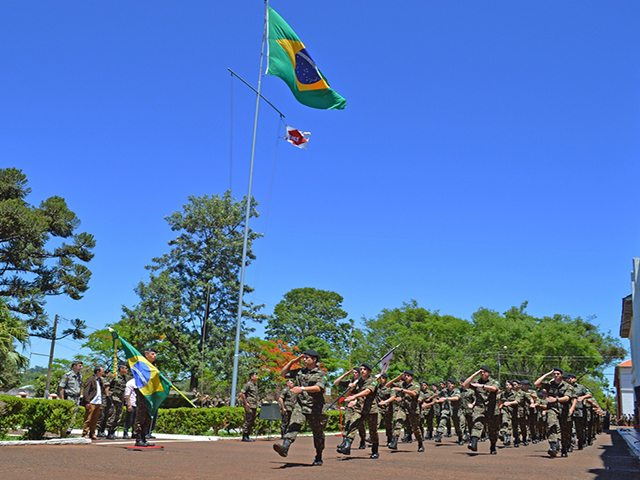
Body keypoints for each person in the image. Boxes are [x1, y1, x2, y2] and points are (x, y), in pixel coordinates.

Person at [273, 350, 327, 466]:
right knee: (294, 425)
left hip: (316, 408)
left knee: (318, 434)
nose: (304, 359)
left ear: (314, 360)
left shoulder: (321, 373)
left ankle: (318, 456)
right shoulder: (299, 371)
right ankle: (285, 447)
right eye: (303, 358)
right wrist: (293, 361)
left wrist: (302, 389)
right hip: (301, 405)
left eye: (307, 358)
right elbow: (282, 374)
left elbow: (319, 388)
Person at [338, 363, 380, 459]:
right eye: (361, 369)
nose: (362, 371)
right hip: (359, 409)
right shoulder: (358, 381)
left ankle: (375, 450)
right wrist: (350, 388)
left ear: (369, 371)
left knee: (373, 431)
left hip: (371, 410)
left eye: (364, 369)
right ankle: (347, 447)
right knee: (353, 425)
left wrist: (355, 396)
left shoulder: (373, 381)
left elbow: (367, 392)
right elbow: (348, 395)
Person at [534, 367, 572, 457]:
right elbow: (537, 383)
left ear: (561, 375)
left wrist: (556, 399)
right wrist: (547, 374)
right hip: (552, 409)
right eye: (554, 374)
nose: (555, 375)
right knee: (552, 425)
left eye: (557, 374)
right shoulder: (549, 385)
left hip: (564, 410)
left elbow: (567, 398)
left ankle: (564, 448)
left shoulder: (567, 386)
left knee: (565, 431)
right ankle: (553, 447)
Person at [462, 365, 500, 454]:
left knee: (493, 430)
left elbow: (494, 389)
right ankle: (474, 443)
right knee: (477, 424)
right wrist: (474, 374)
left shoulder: (494, 382)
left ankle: (493, 446)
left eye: (484, 372)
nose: (482, 374)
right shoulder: (476, 381)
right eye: (481, 372)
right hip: (479, 408)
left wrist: (481, 386)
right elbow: (465, 385)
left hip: (492, 409)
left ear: (488, 373)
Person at [387, 370, 424, 452]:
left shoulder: (416, 385)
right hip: (402, 408)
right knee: (397, 422)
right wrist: (397, 378)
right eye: (405, 375)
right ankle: (394, 442)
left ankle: (420, 443)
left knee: (415, 429)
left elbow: (414, 393)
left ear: (412, 377)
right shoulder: (401, 384)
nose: (406, 377)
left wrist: (402, 390)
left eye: (408, 375)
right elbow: (387, 385)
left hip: (412, 410)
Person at [334, 366, 367, 449]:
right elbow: (336, 383)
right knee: (348, 422)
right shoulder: (350, 381)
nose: (354, 374)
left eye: (356, 373)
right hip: (349, 404)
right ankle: (345, 442)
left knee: (360, 425)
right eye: (353, 373)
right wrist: (345, 375)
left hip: (359, 405)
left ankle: (362, 440)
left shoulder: (363, 382)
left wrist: (355, 399)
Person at [133, 347, 157, 447]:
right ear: (146, 355)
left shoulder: (154, 366)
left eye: (155, 354)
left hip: (150, 394)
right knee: (140, 416)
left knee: (148, 417)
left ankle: (144, 437)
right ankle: (138, 438)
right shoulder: (142, 365)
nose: (154, 356)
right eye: (152, 354)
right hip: (143, 394)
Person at [58, 360, 83, 436]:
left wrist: (80, 394)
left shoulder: (80, 376)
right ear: (74, 366)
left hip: (76, 397)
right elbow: (61, 387)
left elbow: (80, 386)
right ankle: (64, 431)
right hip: (69, 397)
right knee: (68, 413)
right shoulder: (67, 375)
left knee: (74, 415)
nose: (81, 367)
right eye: (79, 366)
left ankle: (69, 431)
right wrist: (62, 399)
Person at [434, 378, 462, 444]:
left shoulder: (457, 391)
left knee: (457, 425)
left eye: (451, 384)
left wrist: (446, 398)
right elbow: (438, 394)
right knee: (442, 420)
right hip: (446, 409)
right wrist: (430, 398)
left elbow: (456, 398)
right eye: (449, 384)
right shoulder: (445, 391)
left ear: (454, 385)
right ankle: (439, 435)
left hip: (455, 410)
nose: (450, 385)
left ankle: (460, 437)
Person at [106, 363, 129, 439]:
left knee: (118, 416)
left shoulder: (125, 378)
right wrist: (108, 396)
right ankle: (109, 433)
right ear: (121, 369)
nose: (127, 369)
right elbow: (107, 385)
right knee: (112, 415)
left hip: (121, 399)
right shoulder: (114, 376)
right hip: (113, 398)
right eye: (126, 368)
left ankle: (113, 432)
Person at [81, 366, 104, 440]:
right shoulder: (90, 379)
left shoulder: (100, 380)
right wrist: (87, 402)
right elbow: (86, 391)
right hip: (92, 401)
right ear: (97, 372)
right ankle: (85, 433)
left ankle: (92, 433)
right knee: (88, 418)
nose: (102, 373)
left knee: (95, 419)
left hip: (98, 402)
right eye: (102, 372)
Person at [238, 372, 259, 442]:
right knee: (247, 420)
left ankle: (248, 435)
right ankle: (244, 436)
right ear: (251, 377)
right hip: (249, 405)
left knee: (251, 421)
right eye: (255, 376)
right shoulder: (248, 384)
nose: (257, 377)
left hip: (254, 405)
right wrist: (246, 403)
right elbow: (241, 393)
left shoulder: (255, 385)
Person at [376, 374, 395, 446]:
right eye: (380, 378)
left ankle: (390, 439)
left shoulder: (390, 388)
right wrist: (377, 378)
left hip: (388, 410)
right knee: (376, 422)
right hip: (379, 409)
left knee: (388, 426)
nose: (381, 379)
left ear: (386, 379)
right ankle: (372, 438)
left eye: (383, 378)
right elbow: (371, 384)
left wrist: (385, 401)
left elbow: (393, 397)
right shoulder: (377, 387)